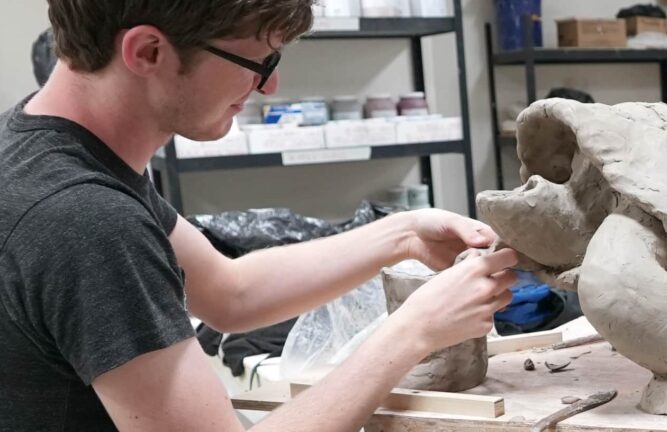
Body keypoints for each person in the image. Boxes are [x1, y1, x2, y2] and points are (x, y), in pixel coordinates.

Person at [0, 1, 518, 431]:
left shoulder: (43, 145)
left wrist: (403, 233)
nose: (268, 87)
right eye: (259, 63)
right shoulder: (84, 217)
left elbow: (230, 291)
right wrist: (413, 331)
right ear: (148, 51)